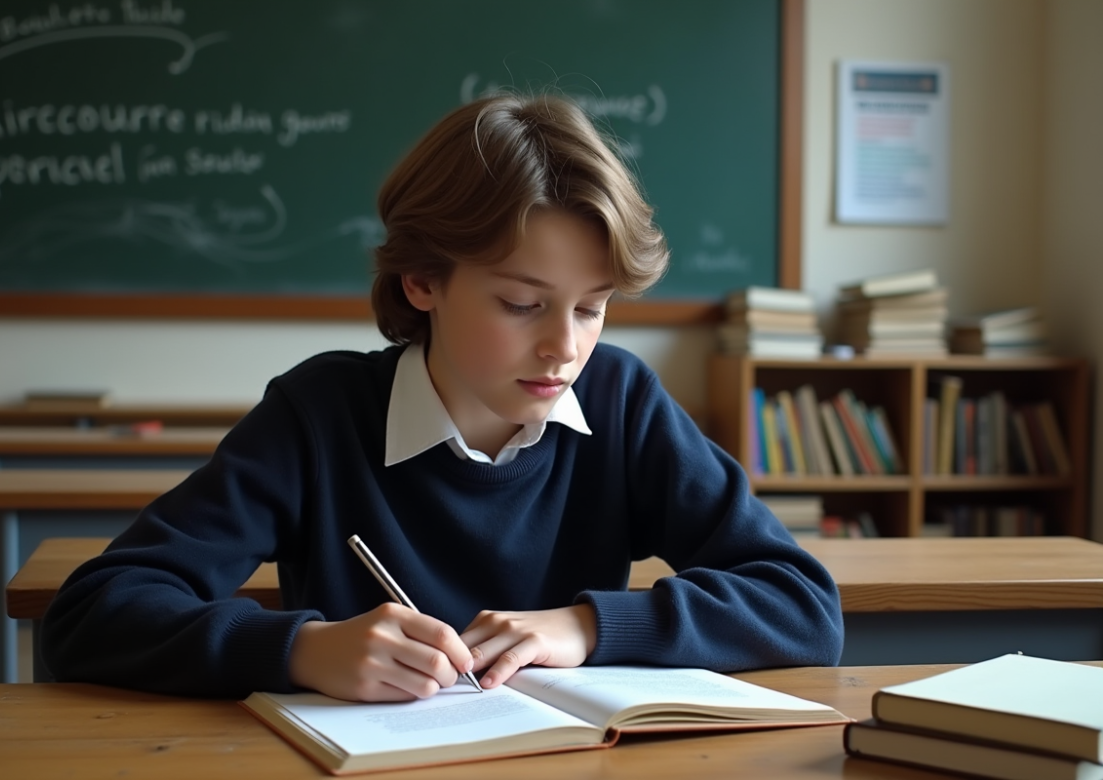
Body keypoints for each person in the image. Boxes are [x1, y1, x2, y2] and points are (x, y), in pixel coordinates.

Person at [41, 94, 843, 701]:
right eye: (522, 304)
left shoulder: (622, 400)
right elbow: (94, 611)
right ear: (422, 280)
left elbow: (803, 605)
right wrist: (299, 649)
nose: (566, 346)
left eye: (592, 307)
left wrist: (588, 626)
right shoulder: (319, 416)